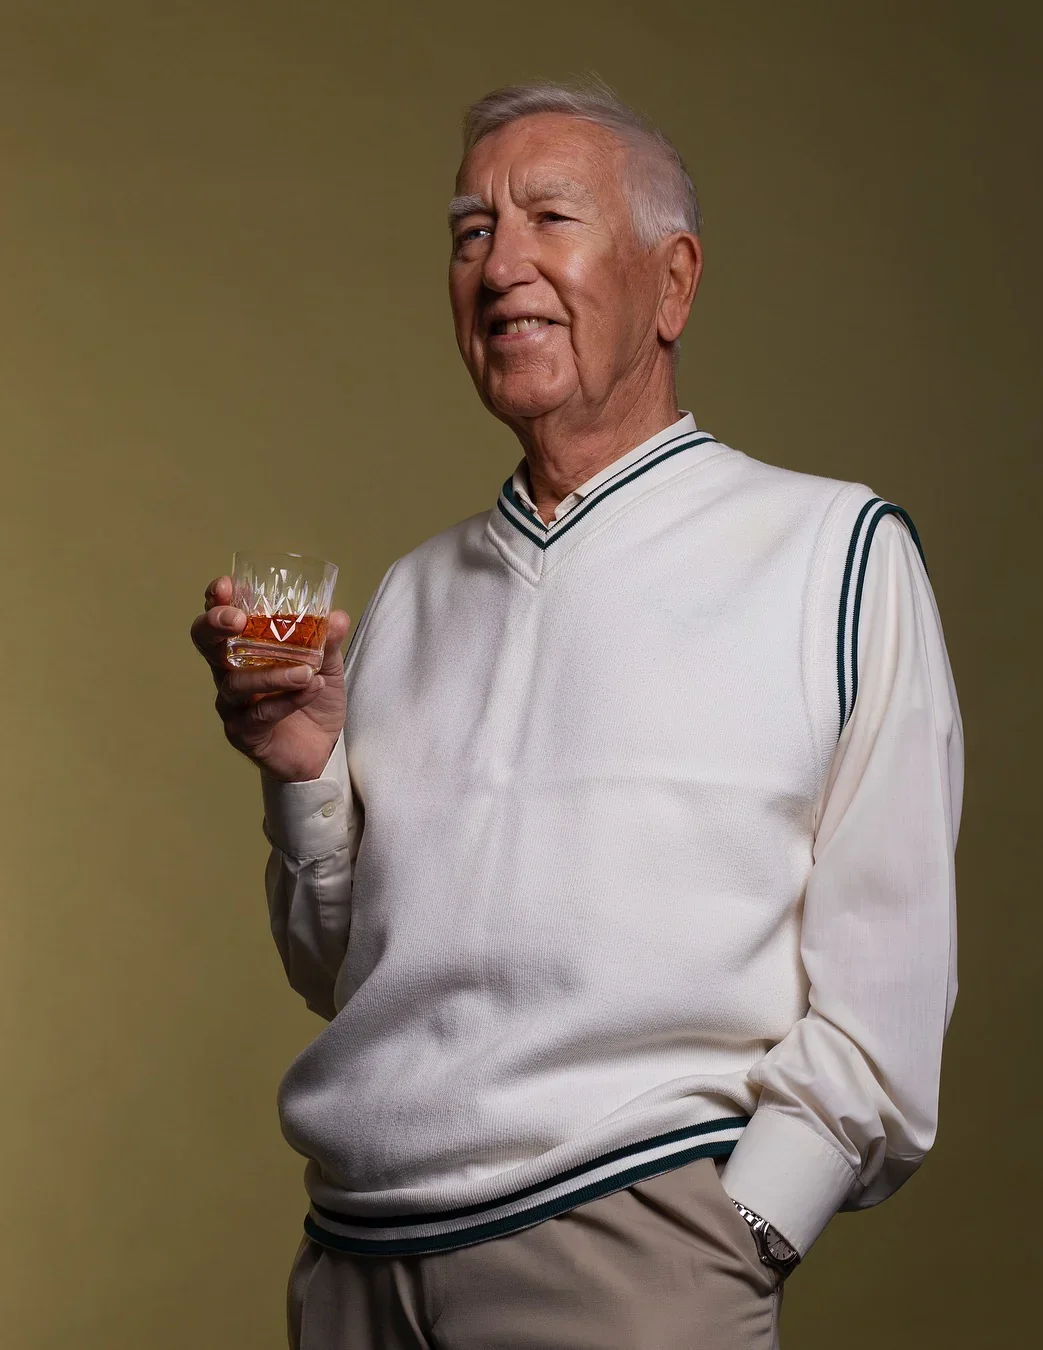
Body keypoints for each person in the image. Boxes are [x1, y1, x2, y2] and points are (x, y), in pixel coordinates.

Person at [192, 79, 963, 1350]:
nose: (501, 266)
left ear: (673, 284)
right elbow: (339, 971)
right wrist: (304, 773)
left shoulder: (834, 553)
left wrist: (735, 1232)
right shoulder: (408, 597)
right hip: (351, 1268)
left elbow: (888, 984)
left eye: (550, 216)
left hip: (631, 1253)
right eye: (470, 232)